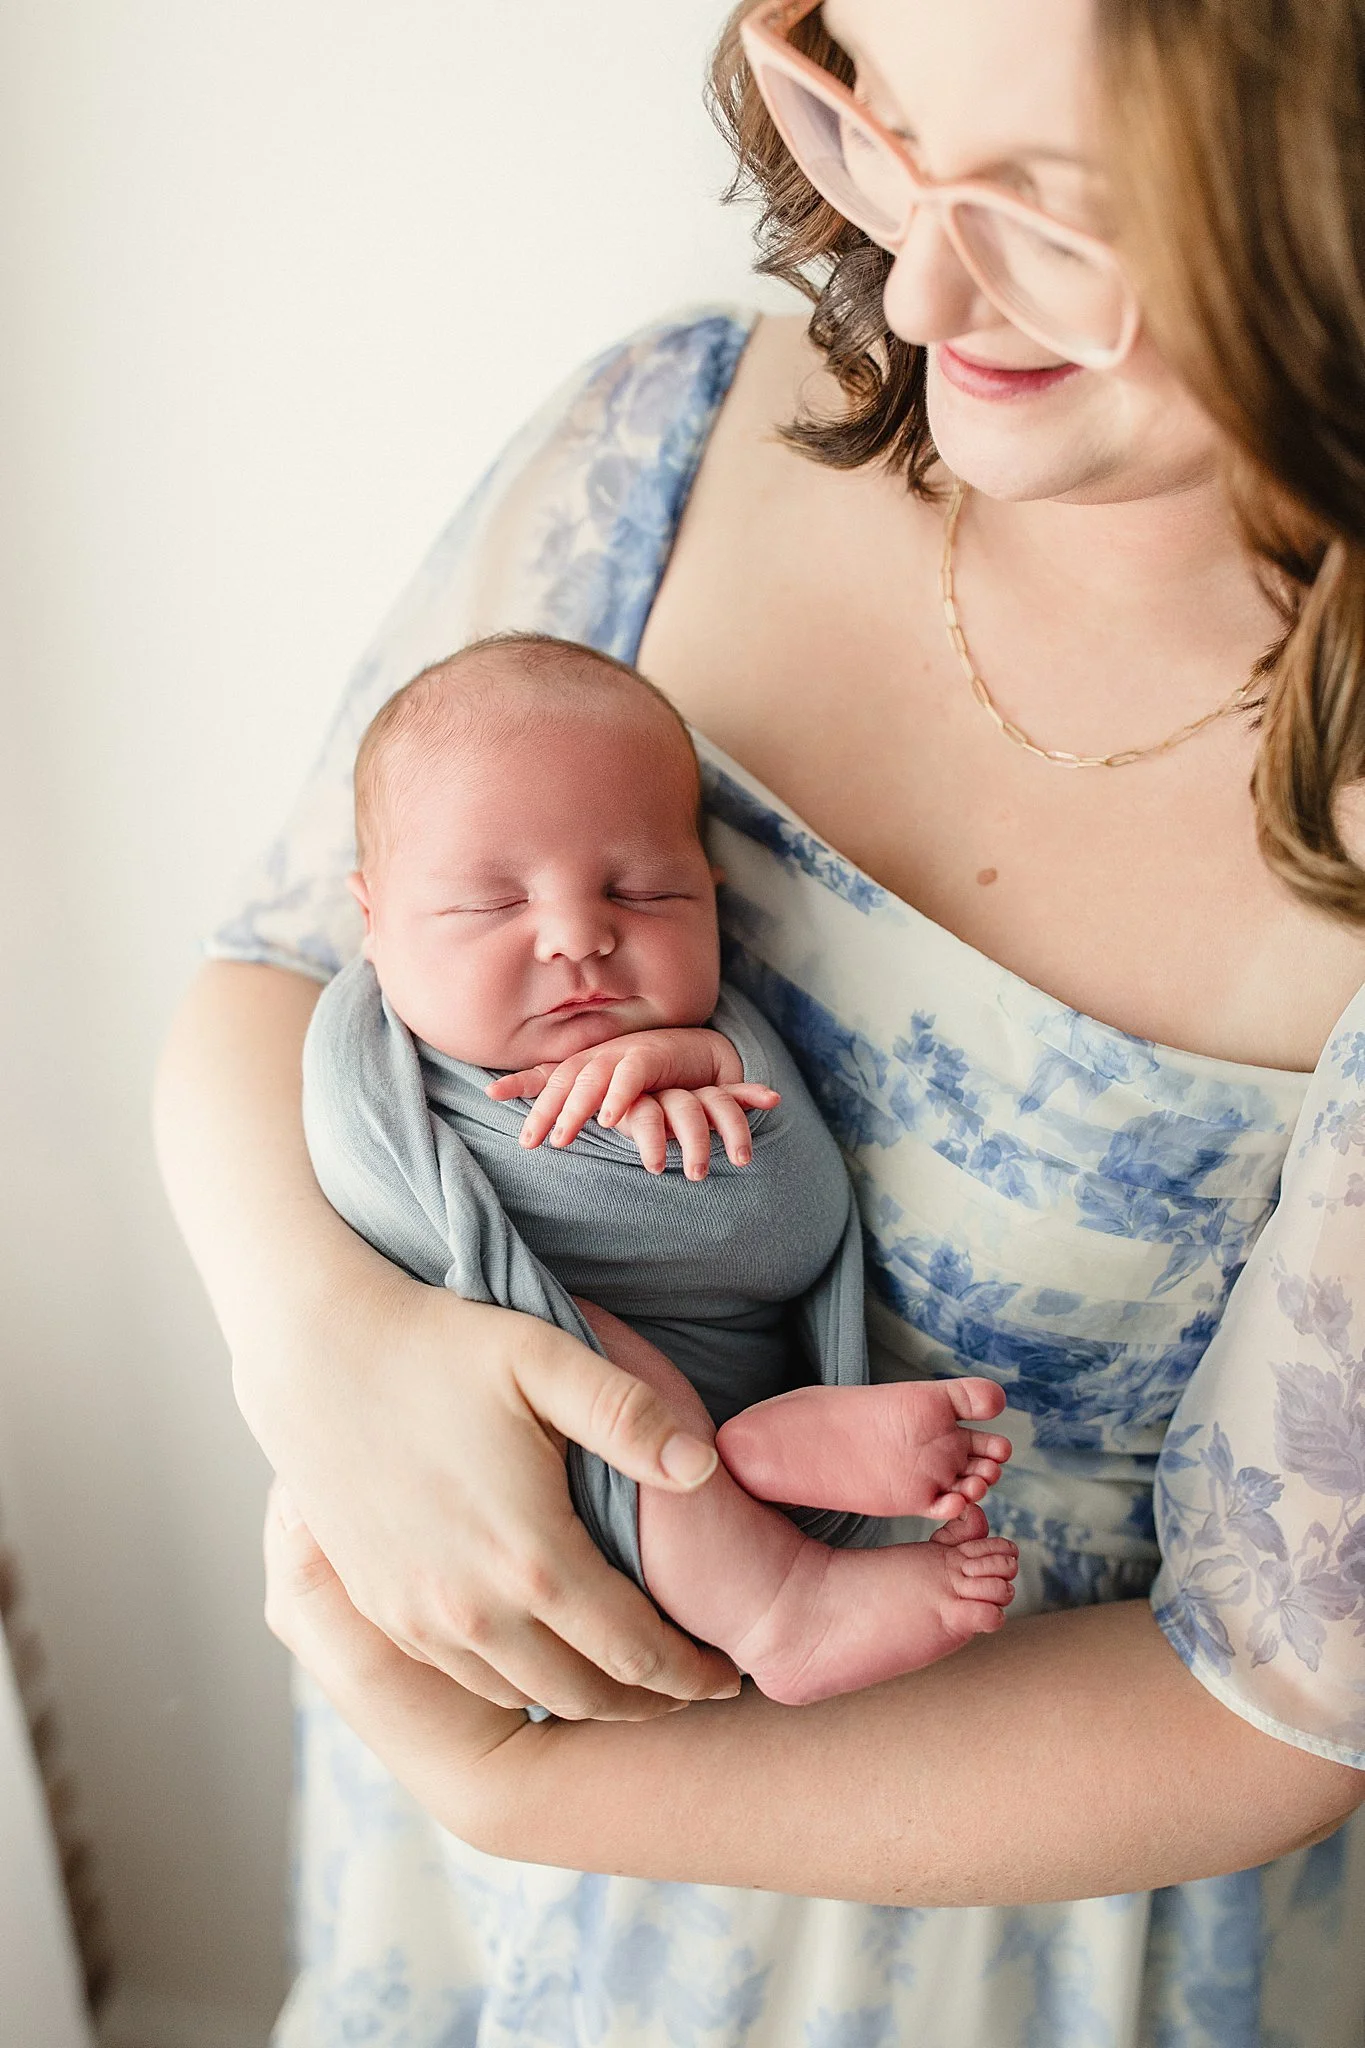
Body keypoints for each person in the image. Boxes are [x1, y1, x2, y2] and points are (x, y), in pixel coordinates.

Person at [155, 0, 1365, 2041]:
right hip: (451, 1882)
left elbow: (1268, 1699)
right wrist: (325, 1337)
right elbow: (273, 969)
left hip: (970, 1922)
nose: (914, 276)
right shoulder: (662, 443)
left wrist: (546, 1784)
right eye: (874, 117)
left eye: (1062, 218)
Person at [302, 631, 1019, 1707]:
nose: (579, 936)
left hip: (735, 1387)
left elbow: (798, 1225)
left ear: (712, 893)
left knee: (695, 1419)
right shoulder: (367, 1064)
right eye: (494, 905)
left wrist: (716, 1068)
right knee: (575, 1358)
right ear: (374, 921)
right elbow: (375, 1228)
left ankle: (786, 1457)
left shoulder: (720, 1046)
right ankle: (782, 1601)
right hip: (524, 1487)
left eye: (643, 893)